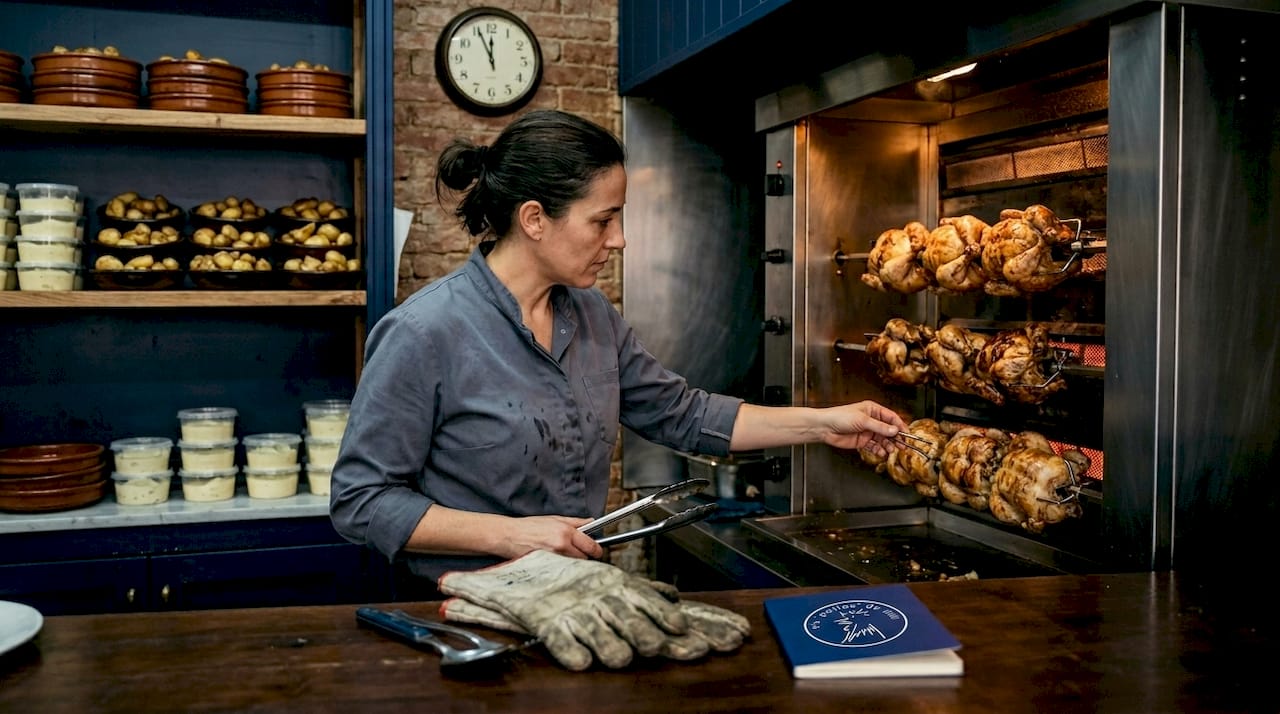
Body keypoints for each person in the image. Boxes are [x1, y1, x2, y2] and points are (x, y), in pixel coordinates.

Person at [329, 109, 908, 587]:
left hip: (573, 592)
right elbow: (361, 500)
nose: (620, 239)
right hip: (458, 612)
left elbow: (685, 415)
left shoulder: (593, 317)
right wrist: (512, 533)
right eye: (603, 220)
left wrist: (825, 423)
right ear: (534, 219)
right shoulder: (424, 331)